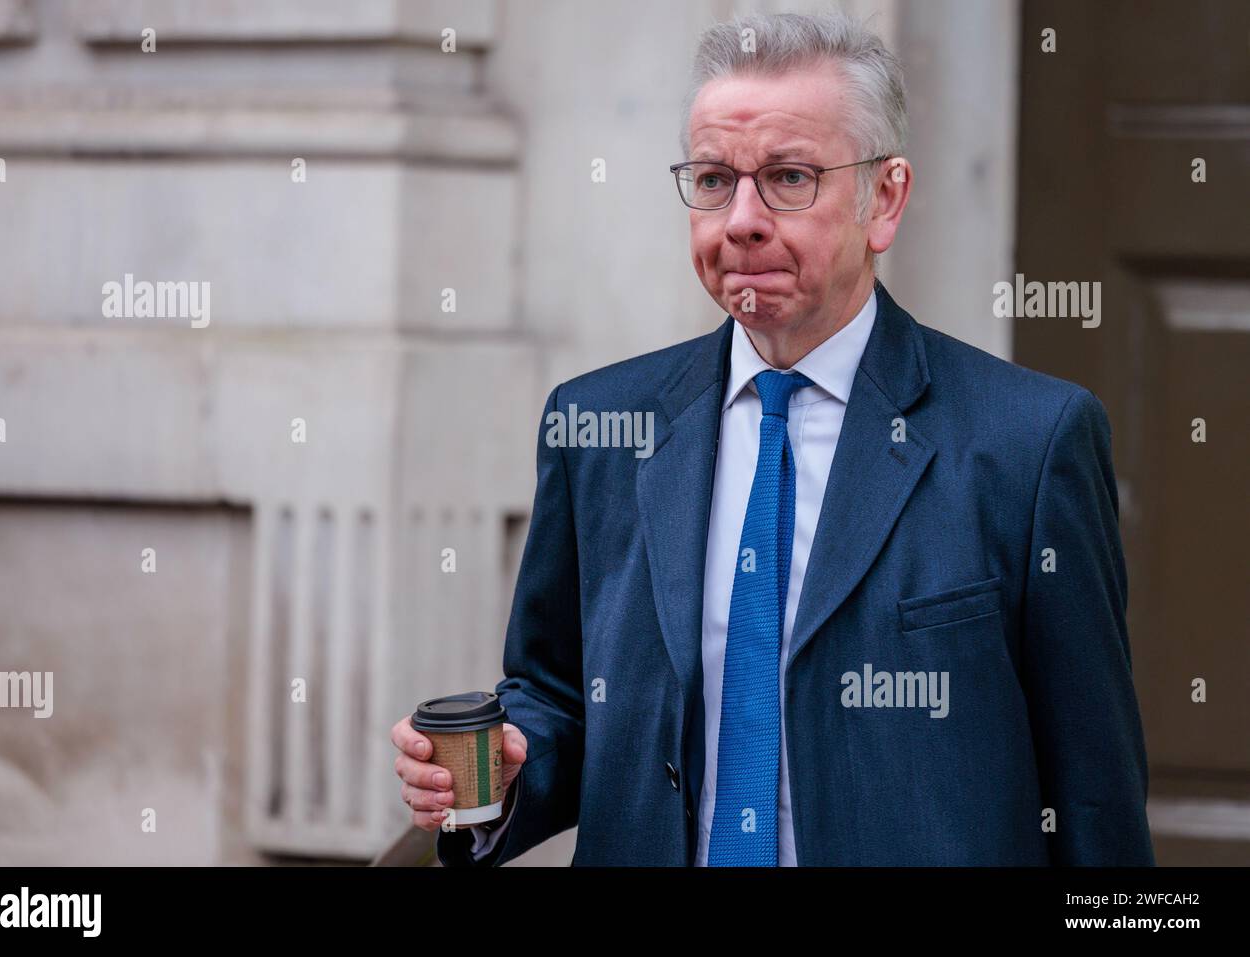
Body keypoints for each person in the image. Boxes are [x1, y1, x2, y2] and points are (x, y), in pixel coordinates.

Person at [391, 11, 1154, 866]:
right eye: (715, 180)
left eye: (789, 178)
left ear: (885, 198)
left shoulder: (1029, 440)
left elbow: (1095, 795)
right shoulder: (600, 425)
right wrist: (503, 767)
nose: (742, 219)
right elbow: (559, 696)